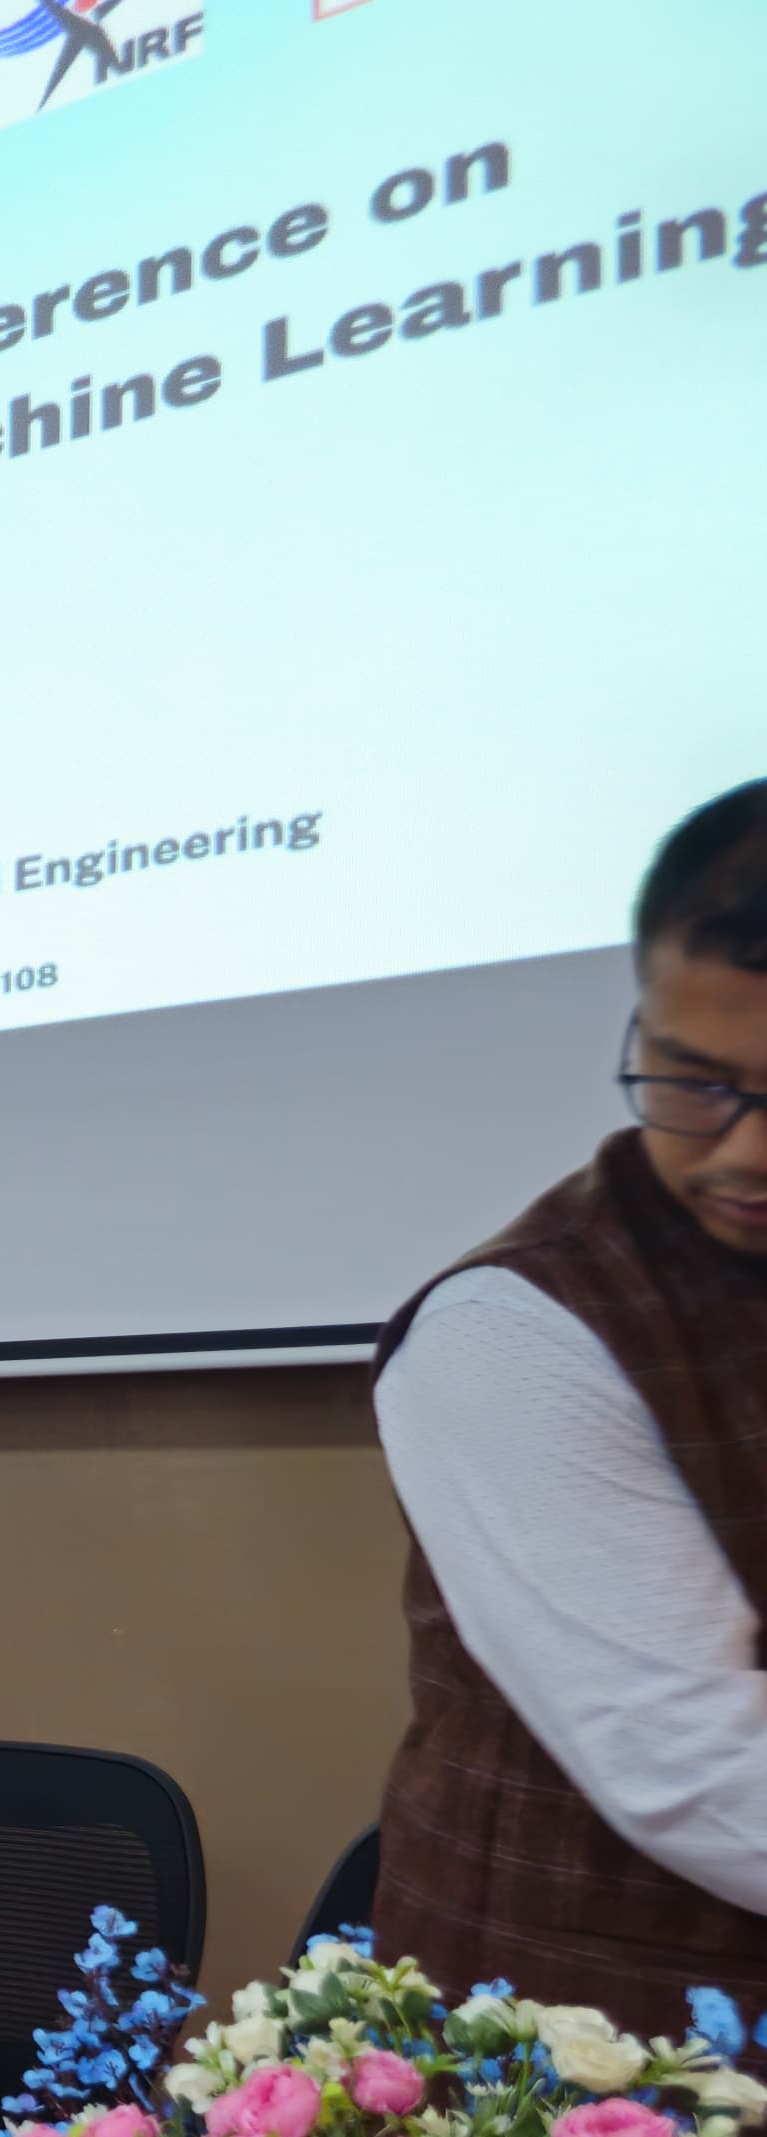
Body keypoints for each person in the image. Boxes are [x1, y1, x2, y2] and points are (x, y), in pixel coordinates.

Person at [373, 782, 767, 2033]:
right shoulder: (516, 1329)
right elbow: (702, 1776)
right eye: (693, 1081)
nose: (743, 1151)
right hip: (604, 2056)